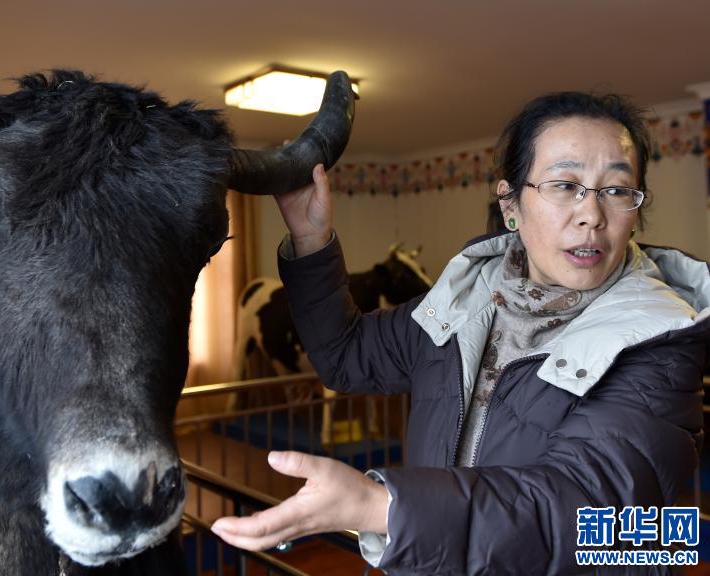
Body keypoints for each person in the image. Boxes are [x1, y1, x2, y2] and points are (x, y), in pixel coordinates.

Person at [211, 92, 710, 574]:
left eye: (617, 190)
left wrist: (382, 507)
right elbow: (346, 356)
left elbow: (582, 513)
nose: (592, 215)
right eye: (564, 184)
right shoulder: (465, 301)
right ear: (511, 203)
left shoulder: (659, 337)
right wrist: (310, 238)